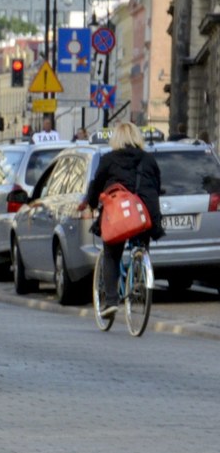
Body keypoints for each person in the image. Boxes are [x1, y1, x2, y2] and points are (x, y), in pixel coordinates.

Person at [81, 121, 164, 318]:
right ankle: (140, 273)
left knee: (111, 253)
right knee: (142, 243)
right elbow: (157, 184)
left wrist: (92, 204)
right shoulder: (148, 159)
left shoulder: (109, 159)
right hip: (144, 214)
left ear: (116, 138)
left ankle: (110, 301)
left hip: (120, 216)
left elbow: (97, 185)